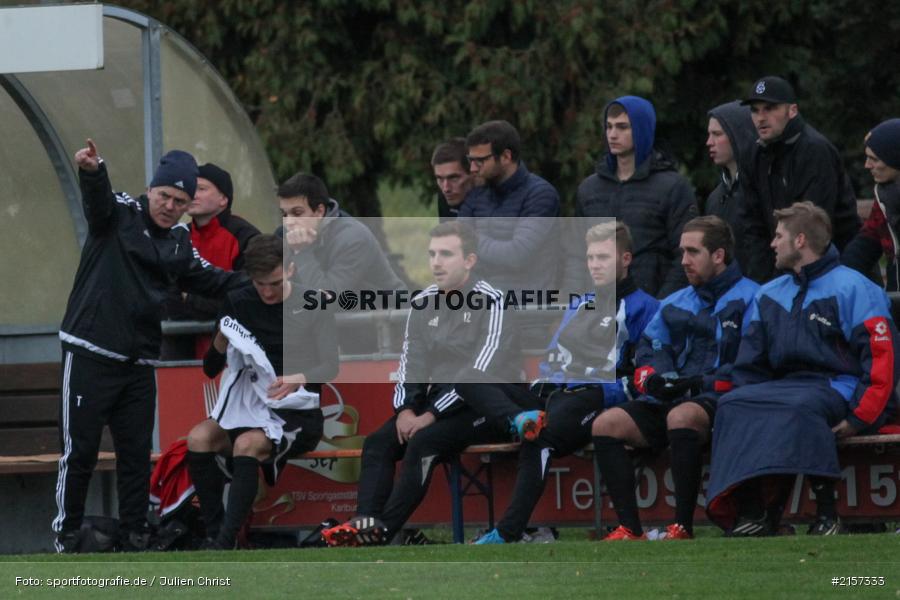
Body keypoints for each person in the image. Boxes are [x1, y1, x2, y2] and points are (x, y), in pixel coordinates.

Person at [54, 140, 247, 553]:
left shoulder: (179, 242)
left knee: (136, 454)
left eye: (180, 201)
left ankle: (135, 532)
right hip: (90, 350)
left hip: (140, 361)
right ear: (150, 190)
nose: (169, 206)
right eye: (164, 196)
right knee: (80, 451)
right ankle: (66, 534)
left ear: (187, 205)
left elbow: (211, 278)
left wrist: (264, 280)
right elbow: (97, 203)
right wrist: (92, 171)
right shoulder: (120, 213)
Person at [706, 202, 899, 536]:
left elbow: (882, 363)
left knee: (800, 406)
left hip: (838, 386)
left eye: (778, 236)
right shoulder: (769, 294)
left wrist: (858, 419)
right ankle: (754, 514)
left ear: (800, 241)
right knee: (731, 405)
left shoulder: (856, 288)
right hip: (787, 388)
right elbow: (749, 365)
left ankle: (827, 514)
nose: (772, 244)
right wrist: (746, 396)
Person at [321, 221, 519, 546]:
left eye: (446, 254)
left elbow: (479, 373)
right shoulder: (424, 302)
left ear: (469, 260)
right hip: (434, 408)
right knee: (378, 442)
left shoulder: (493, 301)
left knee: (424, 441)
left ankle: (382, 533)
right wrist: (405, 410)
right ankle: (363, 523)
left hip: (485, 407)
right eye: (432, 254)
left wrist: (431, 415)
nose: (436, 263)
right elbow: (410, 364)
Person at [463, 221, 659, 544]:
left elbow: (642, 372)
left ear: (626, 259)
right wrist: (545, 380)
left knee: (538, 438)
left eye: (603, 257)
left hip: (593, 397)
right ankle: (517, 419)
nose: (594, 265)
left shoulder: (646, 307)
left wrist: (604, 391)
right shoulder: (579, 303)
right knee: (465, 377)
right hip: (553, 394)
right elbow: (554, 356)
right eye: (590, 258)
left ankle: (507, 532)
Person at [591, 215, 759, 541]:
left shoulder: (754, 297)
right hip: (671, 397)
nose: (684, 261)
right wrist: (657, 378)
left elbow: (750, 363)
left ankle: (682, 526)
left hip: (721, 398)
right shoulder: (673, 302)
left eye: (693, 252)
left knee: (681, 416)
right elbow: (650, 349)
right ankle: (630, 529)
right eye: (682, 252)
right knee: (605, 424)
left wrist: (698, 384)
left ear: (719, 255)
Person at [185, 235, 337, 550]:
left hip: (296, 411)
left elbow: (331, 366)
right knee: (198, 438)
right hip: (248, 406)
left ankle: (225, 542)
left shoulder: (313, 302)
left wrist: (296, 379)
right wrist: (220, 340)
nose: (267, 292)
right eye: (259, 284)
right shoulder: (237, 301)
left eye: (275, 284)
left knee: (246, 443)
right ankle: (214, 533)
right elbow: (210, 369)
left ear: (291, 269)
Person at [569, 95, 697, 299]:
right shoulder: (589, 189)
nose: (613, 134)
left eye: (622, 127)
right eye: (609, 127)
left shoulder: (672, 187)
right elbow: (576, 254)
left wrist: (661, 305)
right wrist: (581, 302)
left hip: (653, 301)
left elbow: (686, 253)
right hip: (599, 305)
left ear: (641, 129)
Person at [739, 76, 860, 282]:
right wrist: (763, 282)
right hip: (784, 272)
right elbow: (753, 224)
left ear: (792, 110)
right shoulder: (755, 154)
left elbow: (813, 225)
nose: (760, 118)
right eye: (755, 110)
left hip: (834, 271)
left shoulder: (815, 151)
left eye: (770, 109)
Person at [457, 120, 560, 296]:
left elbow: (517, 255)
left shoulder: (541, 195)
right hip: (479, 299)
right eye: (470, 160)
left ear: (505, 157)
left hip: (525, 303)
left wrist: (471, 240)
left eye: (480, 161)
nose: (473, 168)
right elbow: (456, 244)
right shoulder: (477, 194)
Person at [842, 118, 900, 290]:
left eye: (874, 159)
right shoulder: (885, 196)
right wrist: (838, 278)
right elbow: (867, 241)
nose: (867, 165)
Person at [703, 101, 757, 272]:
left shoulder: (764, 188)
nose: (709, 142)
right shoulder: (714, 198)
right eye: (709, 134)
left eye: (717, 134)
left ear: (738, 134)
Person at [431, 138, 473, 221]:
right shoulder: (445, 196)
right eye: (440, 179)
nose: (446, 189)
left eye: (453, 178)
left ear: (473, 173)